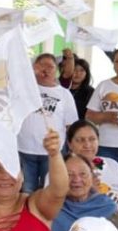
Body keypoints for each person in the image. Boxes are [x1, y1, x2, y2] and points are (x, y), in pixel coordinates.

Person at [18, 53, 78, 192]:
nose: (46, 70)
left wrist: (73, 150)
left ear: (56, 70)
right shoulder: (22, 89)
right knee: (26, 189)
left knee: (50, 190)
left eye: (50, 66)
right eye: (41, 66)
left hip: (52, 152)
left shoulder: (64, 94)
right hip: (23, 149)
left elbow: (71, 125)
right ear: (33, 68)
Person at [52, 154, 118, 231]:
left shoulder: (107, 207)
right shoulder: (51, 207)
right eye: (69, 174)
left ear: (92, 176)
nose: (76, 179)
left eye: (83, 174)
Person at [66, 119, 118, 207]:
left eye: (92, 139)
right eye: (80, 140)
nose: (87, 145)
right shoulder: (61, 170)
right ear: (69, 144)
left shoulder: (112, 166)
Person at [68, 56, 95, 120]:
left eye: (82, 70)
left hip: (80, 126)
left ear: (86, 74)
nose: (77, 73)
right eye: (74, 69)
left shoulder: (90, 92)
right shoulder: (61, 88)